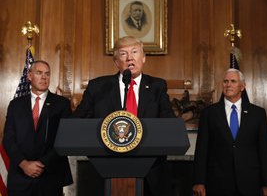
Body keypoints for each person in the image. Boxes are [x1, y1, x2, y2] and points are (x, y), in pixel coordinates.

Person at [72, 36, 175, 196]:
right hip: (106, 168)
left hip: (150, 170)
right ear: (116, 62)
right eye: (123, 54)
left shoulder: (157, 86)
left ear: (143, 58)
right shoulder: (98, 87)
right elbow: (78, 122)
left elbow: (168, 123)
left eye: (134, 52)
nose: (130, 58)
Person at [192, 68, 267, 196]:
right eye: (225, 81)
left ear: (242, 86)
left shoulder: (257, 113)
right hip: (218, 183)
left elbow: (265, 150)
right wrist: (199, 181)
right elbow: (202, 149)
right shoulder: (209, 113)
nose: (228, 84)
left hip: (250, 183)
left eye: (233, 81)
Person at [3, 60, 73, 196]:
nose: (44, 77)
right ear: (29, 76)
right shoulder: (15, 105)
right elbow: (8, 139)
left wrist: (41, 164)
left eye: (47, 74)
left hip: (50, 176)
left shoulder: (62, 104)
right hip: (20, 176)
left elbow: (64, 140)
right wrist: (24, 164)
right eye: (39, 73)